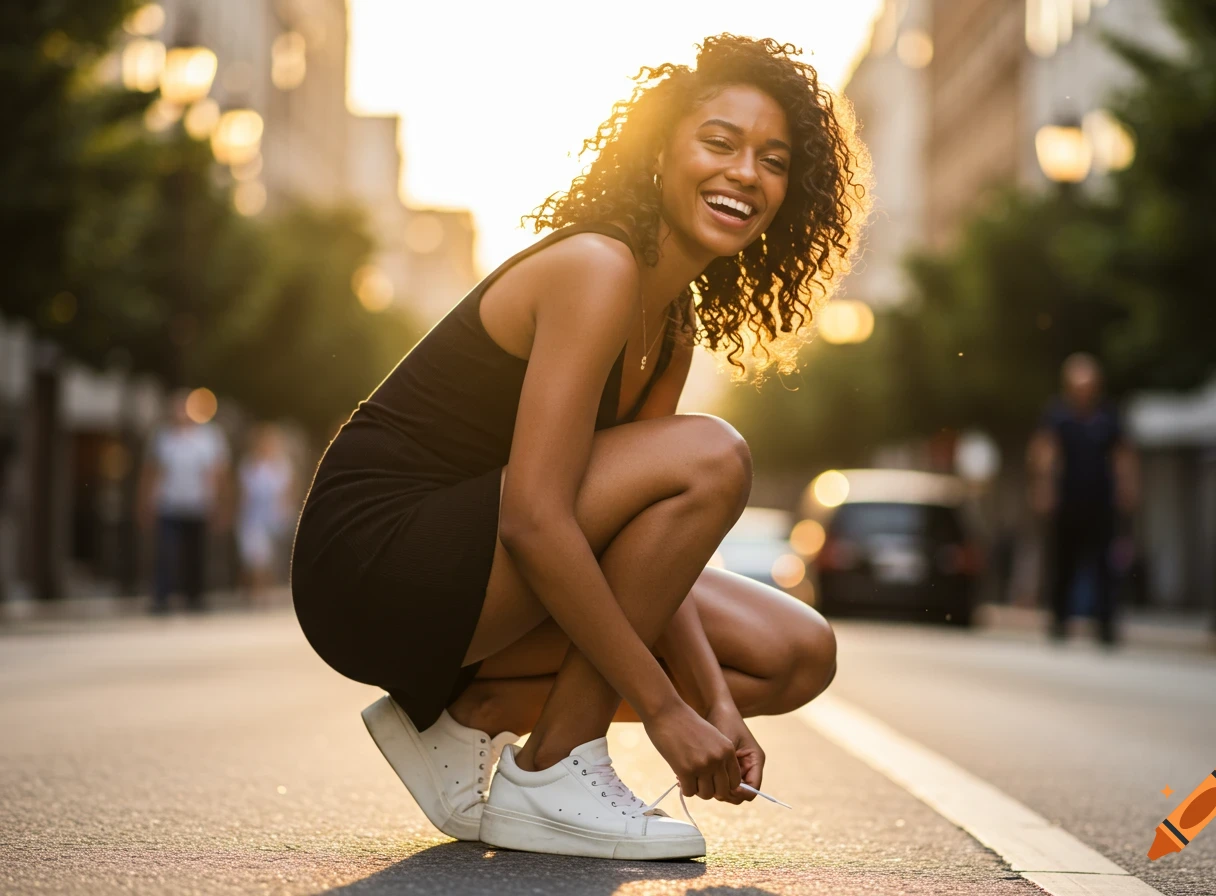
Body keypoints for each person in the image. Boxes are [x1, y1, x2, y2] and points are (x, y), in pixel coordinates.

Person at [291, 34, 866, 860]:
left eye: (773, 160)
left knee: (795, 656)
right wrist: (665, 712)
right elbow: (534, 518)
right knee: (715, 453)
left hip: (474, 574)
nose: (746, 172)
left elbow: (648, 555)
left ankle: (469, 721)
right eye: (718, 142)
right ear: (660, 151)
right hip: (374, 566)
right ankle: (556, 766)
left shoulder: (671, 329)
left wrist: (712, 701)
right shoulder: (597, 267)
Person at [1028, 353, 1140, 645]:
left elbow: (1122, 454)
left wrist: (1127, 487)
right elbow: (1045, 451)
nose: (1084, 391)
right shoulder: (1057, 414)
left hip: (1100, 503)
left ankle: (1105, 625)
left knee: (1105, 566)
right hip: (1067, 502)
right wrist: (1044, 487)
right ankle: (1059, 621)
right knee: (1063, 563)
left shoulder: (1108, 415)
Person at [137, 390, 231, 613]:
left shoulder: (209, 437)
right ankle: (162, 596)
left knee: (195, 554)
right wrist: (144, 503)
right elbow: (151, 472)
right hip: (169, 504)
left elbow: (218, 474)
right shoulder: (164, 437)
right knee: (166, 553)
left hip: (198, 506)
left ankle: (195, 597)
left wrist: (222, 504)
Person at [235, 423, 295, 606]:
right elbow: (243, 494)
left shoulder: (283, 466)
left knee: (267, 559)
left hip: (275, 518)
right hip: (253, 518)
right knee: (257, 557)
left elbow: (288, 492)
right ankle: (255, 593)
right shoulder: (249, 466)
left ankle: (261, 592)